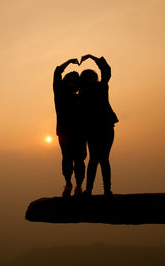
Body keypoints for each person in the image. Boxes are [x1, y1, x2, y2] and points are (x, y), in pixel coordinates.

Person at [79, 54, 118, 196]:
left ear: (94, 78)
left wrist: (92, 57)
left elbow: (106, 70)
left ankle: (106, 189)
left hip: (106, 128)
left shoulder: (101, 87)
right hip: (91, 130)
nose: (89, 79)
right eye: (86, 77)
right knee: (94, 159)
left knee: (103, 159)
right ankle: (89, 189)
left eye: (91, 77)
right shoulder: (81, 94)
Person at [53, 58, 87, 197]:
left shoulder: (83, 97)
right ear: (65, 83)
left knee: (80, 160)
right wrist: (69, 61)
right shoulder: (60, 95)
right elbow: (57, 73)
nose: (72, 84)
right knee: (67, 158)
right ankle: (68, 184)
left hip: (80, 132)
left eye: (75, 82)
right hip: (65, 132)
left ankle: (78, 186)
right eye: (70, 81)